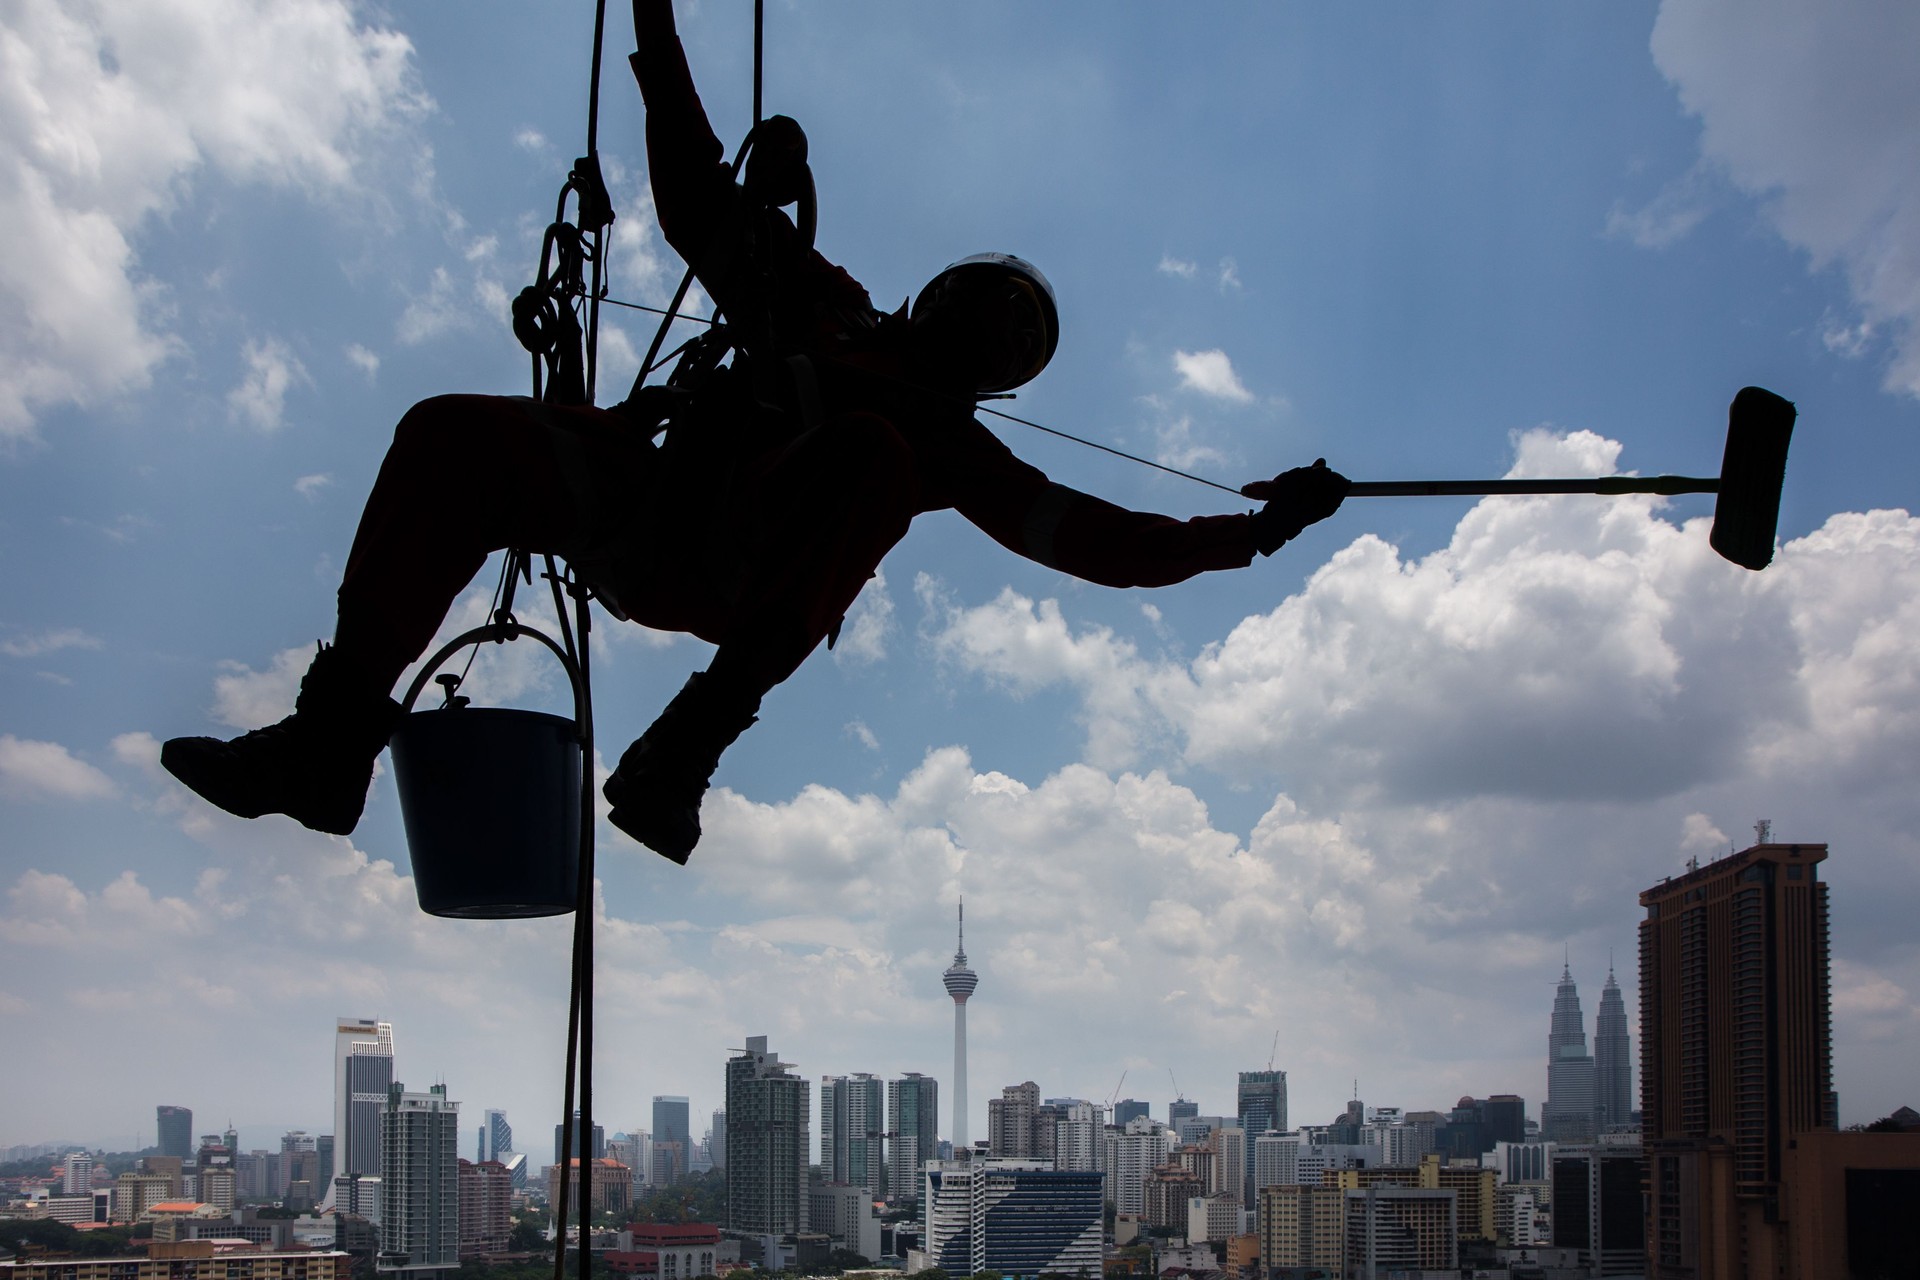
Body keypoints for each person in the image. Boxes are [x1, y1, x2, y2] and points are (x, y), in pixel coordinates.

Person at [161, 0, 1349, 864]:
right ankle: (329, 744)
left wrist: (1251, 535)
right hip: (651, 499)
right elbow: (690, 196)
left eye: (1004, 337)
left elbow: (1100, 537)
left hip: (745, 571)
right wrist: (657, 28)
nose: (978, 338)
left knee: (881, 458)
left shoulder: (947, 448)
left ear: (1001, 375)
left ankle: (689, 742)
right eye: (983, 315)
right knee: (447, 438)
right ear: (936, 303)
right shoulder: (812, 299)